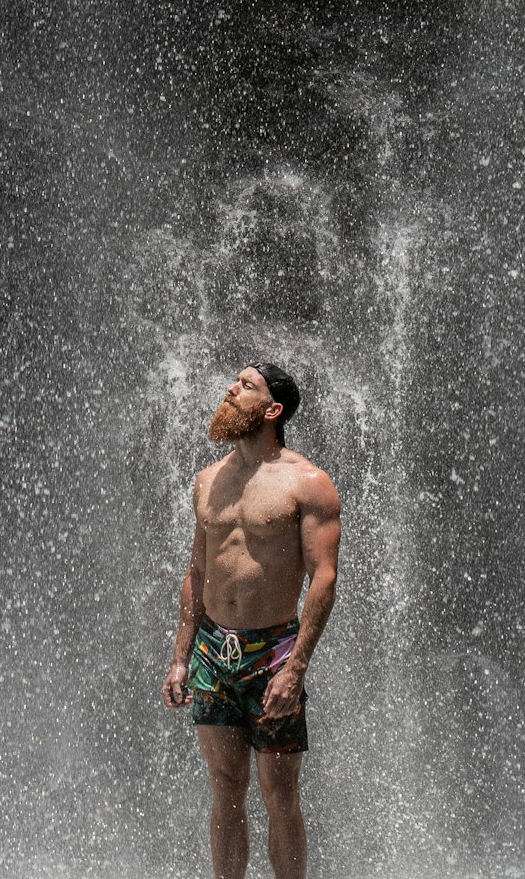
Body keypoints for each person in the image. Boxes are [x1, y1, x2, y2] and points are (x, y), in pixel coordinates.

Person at [162, 362, 342, 879]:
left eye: (246, 386)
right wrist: (180, 659)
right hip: (214, 653)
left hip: (273, 656)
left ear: (272, 409)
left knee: (279, 793)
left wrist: (296, 668)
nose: (230, 389)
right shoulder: (208, 481)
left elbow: (324, 578)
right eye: (234, 382)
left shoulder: (308, 483)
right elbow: (197, 571)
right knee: (224, 787)